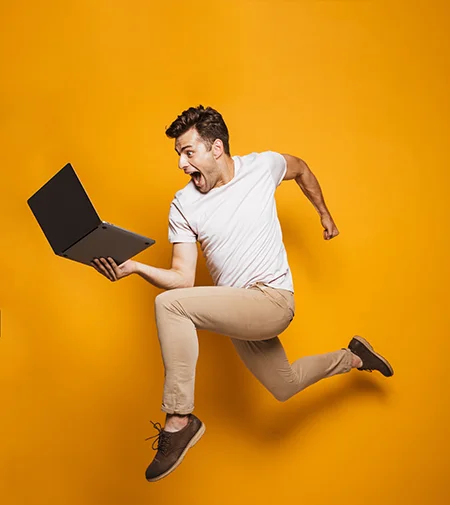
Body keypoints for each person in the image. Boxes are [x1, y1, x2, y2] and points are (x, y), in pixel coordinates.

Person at [92, 105, 393, 482]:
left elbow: (300, 167)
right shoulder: (184, 204)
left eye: (189, 153)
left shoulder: (261, 167)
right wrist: (134, 267)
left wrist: (324, 214)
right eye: (179, 155)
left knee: (168, 307)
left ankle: (180, 418)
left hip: (272, 300)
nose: (183, 165)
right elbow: (183, 278)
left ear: (216, 148)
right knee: (283, 385)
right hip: (237, 311)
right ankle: (353, 357)